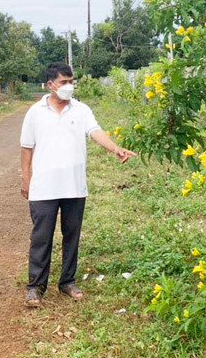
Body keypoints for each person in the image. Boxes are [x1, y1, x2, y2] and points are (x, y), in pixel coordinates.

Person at [20, 62, 137, 307]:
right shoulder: (35, 112)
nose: (69, 86)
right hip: (44, 187)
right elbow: (26, 147)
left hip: (74, 186)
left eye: (71, 81)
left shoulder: (81, 110)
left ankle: (67, 282)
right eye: (63, 82)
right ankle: (35, 286)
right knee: (41, 237)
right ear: (50, 85)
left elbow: (95, 131)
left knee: (71, 235)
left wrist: (115, 148)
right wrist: (26, 178)